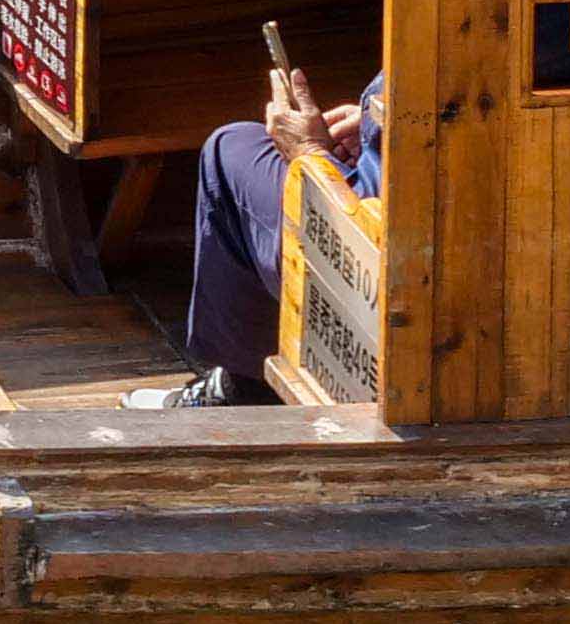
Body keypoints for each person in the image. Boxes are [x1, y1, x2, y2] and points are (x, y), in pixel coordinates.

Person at [130, 62, 385, 410]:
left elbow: (371, 220)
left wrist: (310, 153)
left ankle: (247, 387)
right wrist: (377, 124)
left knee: (229, 150)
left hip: (379, 274)